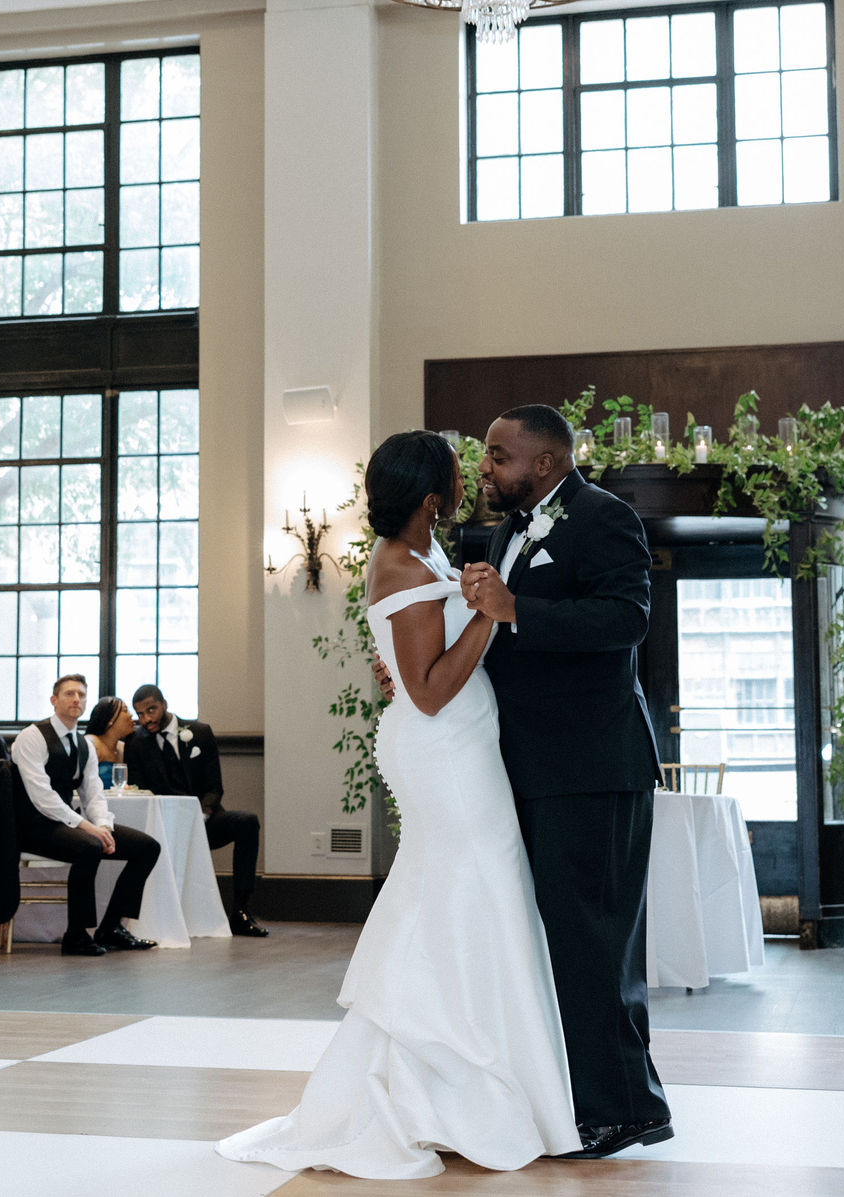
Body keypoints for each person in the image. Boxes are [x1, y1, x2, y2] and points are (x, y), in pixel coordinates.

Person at [221, 430, 577, 1179]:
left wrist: (469, 602)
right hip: (445, 753)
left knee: (467, 896)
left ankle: (450, 1078)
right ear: (430, 496)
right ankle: (445, 1083)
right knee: (469, 890)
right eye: (454, 475)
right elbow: (428, 688)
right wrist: (490, 610)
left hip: (460, 748)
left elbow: (412, 662)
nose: (464, 483)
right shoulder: (399, 563)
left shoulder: (422, 555)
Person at [464, 405, 670, 1157]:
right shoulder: (505, 532)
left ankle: (626, 1108)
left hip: (593, 766)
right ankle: (572, 1099)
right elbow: (508, 643)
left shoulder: (602, 516)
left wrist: (517, 607)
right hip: (534, 767)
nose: (483, 466)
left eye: (496, 455)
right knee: (555, 944)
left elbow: (626, 618)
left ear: (544, 463)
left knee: (595, 941)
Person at [9, 674, 160, 956]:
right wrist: (89, 829)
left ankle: (111, 927)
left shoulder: (84, 745)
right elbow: (42, 796)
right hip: (32, 827)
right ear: (54, 700)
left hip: (66, 824)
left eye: (81, 694)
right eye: (68, 694)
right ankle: (76, 935)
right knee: (89, 846)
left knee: (147, 847)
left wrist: (103, 825)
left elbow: (94, 793)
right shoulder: (32, 737)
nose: (76, 699)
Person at [129, 684, 266, 937]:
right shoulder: (137, 743)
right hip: (165, 824)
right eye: (140, 714)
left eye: (151, 710)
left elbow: (215, 786)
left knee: (247, 822)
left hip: (204, 819)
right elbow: (140, 789)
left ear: (164, 705)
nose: (146, 719)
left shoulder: (199, 733)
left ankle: (241, 911)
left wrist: (201, 814)